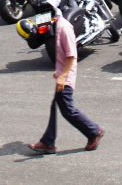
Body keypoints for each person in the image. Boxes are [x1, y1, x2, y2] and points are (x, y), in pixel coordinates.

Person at [26, 11, 104, 154]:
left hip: (66, 76)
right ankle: (48, 142)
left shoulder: (64, 28)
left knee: (68, 110)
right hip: (62, 74)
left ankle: (94, 131)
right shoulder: (55, 25)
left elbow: (72, 56)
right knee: (56, 106)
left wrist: (62, 76)